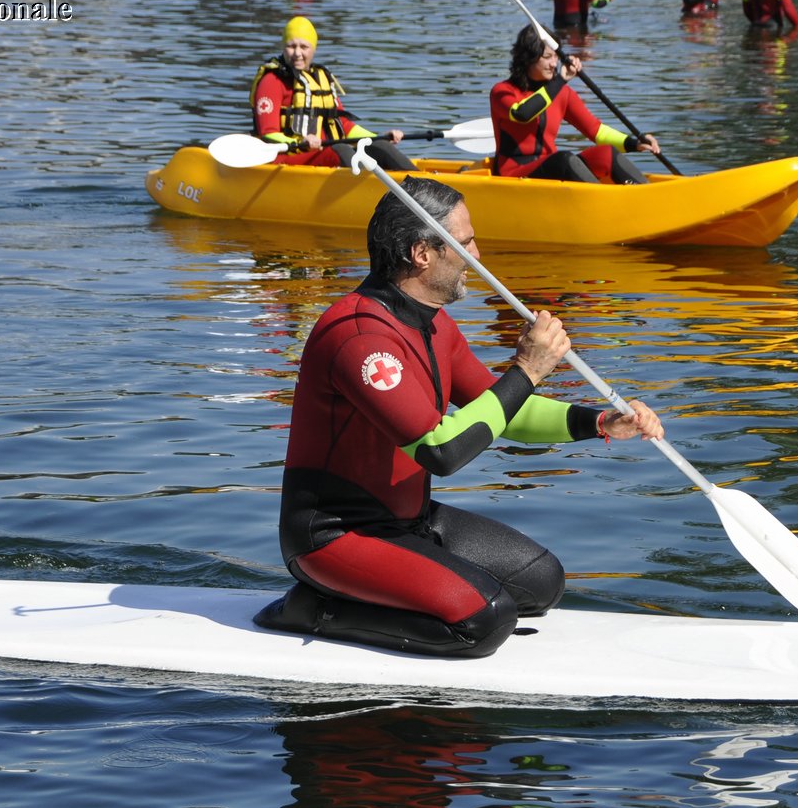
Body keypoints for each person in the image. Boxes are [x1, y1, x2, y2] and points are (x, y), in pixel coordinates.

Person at [255, 177, 664, 658]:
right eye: (465, 241)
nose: (477, 253)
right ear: (422, 253)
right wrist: (528, 369)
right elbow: (440, 451)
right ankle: (315, 607)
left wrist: (598, 423)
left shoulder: (436, 325)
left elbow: (501, 409)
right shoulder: (360, 338)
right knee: (485, 619)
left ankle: (399, 588)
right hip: (335, 534)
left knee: (543, 583)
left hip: (408, 521)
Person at [489, 25, 662, 184]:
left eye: (556, 56)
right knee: (564, 159)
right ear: (528, 59)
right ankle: (603, 203)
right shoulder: (503, 92)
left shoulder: (562, 94)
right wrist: (561, 80)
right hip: (512, 175)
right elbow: (523, 113)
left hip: (551, 169)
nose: (553, 63)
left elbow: (596, 131)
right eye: (547, 57)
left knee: (605, 153)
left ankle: (646, 196)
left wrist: (635, 143)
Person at [250, 16, 414, 170]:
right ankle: (371, 188)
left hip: (325, 153)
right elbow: (268, 134)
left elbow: (344, 126)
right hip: (285, 158)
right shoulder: (271, 81)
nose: (298, 53)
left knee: (379, 146)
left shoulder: (320, 78)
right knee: (340, 149)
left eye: (304, 47)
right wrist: (300, 142)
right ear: (283, 47)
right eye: (291, 46)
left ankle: (424, 187)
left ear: (313, 49)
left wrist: (380, 137)